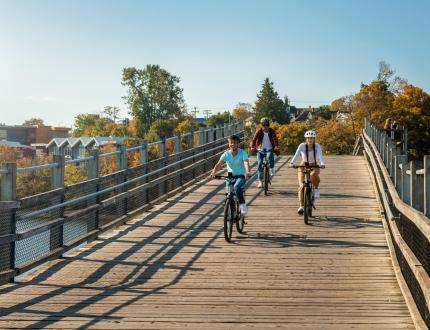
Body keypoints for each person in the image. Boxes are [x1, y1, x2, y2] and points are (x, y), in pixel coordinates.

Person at [211, 135, 252, 215]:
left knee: (237, 187)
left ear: (238, 144)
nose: (233, 144)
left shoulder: (242, 153)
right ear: (228, 144)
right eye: (231, 143)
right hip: (230, 177)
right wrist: (213, 172)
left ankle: (242, 205)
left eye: (235, 143)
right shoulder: (226, 154)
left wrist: (247, 172)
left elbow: (246, 162)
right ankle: (229, 216)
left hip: (241, 176)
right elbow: (219, 164)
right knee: (228, 195)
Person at [288, 130, 326, 215]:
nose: (310, 140)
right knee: (301, 186)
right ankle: (301, 206)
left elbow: (320, 155)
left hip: (314, 165)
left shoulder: (317, 146)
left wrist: (322, 163)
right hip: (303, 165)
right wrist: (291, 163)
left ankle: (316, 188)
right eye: (308, 138)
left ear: (314, 139)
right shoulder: (302, 145)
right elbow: (296, 155)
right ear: (306, 139)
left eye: (312, 138)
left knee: (313, 175)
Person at [250, 117, 280, 188]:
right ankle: (260, 181)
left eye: (267, 125)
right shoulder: (259, 131)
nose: (265, 127)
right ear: (261, 125)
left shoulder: (271, 131)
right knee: (259, 165)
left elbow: (275, 139)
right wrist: (252, 146)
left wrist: (276, 146)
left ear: (268, 125)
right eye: (263, 125)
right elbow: (254, 139)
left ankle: (272, 168)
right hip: (260, 149)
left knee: (270, 156)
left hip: (269, 148)